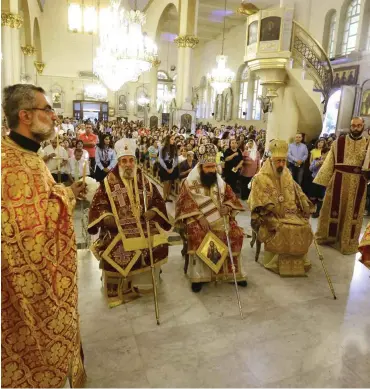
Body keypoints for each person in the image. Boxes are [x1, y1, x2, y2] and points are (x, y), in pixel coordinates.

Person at [1, 84, 86, 388]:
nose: (53, 115)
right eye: (46, 109)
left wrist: (64, 192)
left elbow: (38, 202)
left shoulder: (27, 155)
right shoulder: (8, 163)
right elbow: (24, 230)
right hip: (26, 287)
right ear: (25, 115)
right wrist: (67, 197)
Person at [88, 139, 172, 306]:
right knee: (116, 245)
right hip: (117, 226)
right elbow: (99, 203)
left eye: (131, 160)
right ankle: (117, 288)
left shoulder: (145, 180)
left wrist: (152, 212)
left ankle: (145, 282)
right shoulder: (108, 182)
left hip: (143, 223)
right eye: (124, 161)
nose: (128, 164)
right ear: (118, 162)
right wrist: (106, 216)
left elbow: (157, 200)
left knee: (158, 242)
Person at [175, 143, 247, 292]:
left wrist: (227, 207)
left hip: (219, 218)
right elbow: (183, 203)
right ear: (201, 167)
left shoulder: (221, 183)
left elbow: (231, 198)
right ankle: (200, 276)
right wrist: (199, 216)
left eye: (213, 167)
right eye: (208, 167)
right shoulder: (189, 183)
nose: (211, 170)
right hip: (196, 218)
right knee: (199, 234)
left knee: (236, 233)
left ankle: (233, 272)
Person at [248, 139, 314, 276]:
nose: (282, 164)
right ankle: (275, 261)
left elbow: (297, 189)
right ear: (271, 161)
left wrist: (304, 202)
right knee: (282, 227)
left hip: (290, 212)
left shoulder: (287, 174)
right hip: (269, 214)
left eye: (283, 161)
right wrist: (271, 207)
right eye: (278, 161)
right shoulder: (260, 177)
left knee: (305, 226)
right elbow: (257, 198)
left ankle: (299, 260)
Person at [314, 117, 369, 255]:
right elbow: (330, 161)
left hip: (359, 183)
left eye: (358, 125)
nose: (355, 128)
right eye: (353, 125)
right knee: (333, 208)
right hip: (338, 179)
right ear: (350, 126)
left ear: (363, 126)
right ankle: (327, 238)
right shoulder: (339, 142)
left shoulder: (368, 144)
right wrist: (324, 179)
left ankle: (347, 242)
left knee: (352, 213)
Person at [309, 145, 330, 218]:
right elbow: (311, 169)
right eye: (326, 154)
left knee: (321, 196)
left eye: (329, 154)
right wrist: (317, 164)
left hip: (324, 181)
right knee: (313, 196)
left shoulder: (330, 163)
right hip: (314, 179)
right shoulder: (316, 159)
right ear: (323, 154)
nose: (327, 155)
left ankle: (318, 212)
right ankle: (311, 209)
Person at [158, 134, 179, 202]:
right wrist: (166, 168)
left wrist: (173, 167)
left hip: (171, 165)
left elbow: (176, 159)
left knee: (170, 182)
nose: (173, 141)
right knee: (166, 182)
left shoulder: (174, 148)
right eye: (172, 139)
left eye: (174, 139)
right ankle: (164, 197)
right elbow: (160, 159)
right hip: (164, 165)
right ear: (168, 140)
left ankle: (168, 196)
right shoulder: (162, 148)